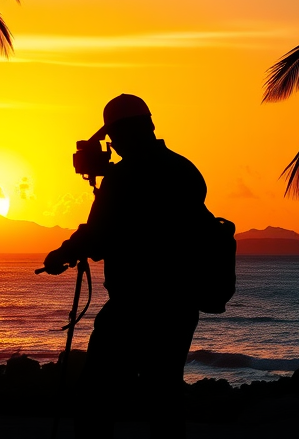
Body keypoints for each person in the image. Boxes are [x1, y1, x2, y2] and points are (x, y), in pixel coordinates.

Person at [43, 94, 208, 438]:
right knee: (164, 394)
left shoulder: (123, 177)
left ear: (121, 134)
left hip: (133, 305)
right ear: (150, 125)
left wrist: (62, 254)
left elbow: (98, 236)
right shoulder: (185, 170)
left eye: (113, 137)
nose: (112, 146)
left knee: (95, 395)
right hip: (180, 304)